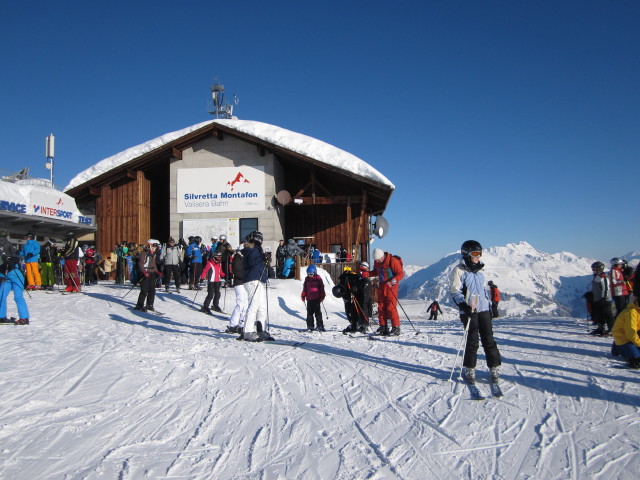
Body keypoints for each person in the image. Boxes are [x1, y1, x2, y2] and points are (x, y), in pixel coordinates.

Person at [449, 240, 502, 385]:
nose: (478, 257)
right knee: (472, 340)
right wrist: (464, 306)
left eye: (480, 253)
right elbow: (455, 290)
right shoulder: (459, 270)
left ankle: (494, 367)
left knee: (489, 339)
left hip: (484, 310)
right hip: (469, 311)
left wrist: (491, 306)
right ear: (466, 254)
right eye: (475, 254)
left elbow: (484, 291)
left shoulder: (480, 271)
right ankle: (470, 368)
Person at [240, 231, 272, 341]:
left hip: (259, 279)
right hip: (252, 279)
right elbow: (252, 261)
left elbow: (258, 263)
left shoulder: (256, 249)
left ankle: (261, 329)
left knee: (262, 306)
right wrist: (263, 257)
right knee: (254, 305)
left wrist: (266, 260)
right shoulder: (252, 248)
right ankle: (247, 331)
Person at [371, 248, 404, 335]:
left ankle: (396, 327)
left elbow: (400, 273)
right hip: (382, 285)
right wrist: (367, 273)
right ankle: (383, 326)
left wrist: (394, 280)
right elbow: (376, 271)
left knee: (391, 306)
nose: (377, 261)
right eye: (375, 260)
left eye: (378, 259)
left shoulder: (392, 261)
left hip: (391, 286)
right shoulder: (377, 261)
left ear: (382, 256)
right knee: (381, 307)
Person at [0, 229, 29, 324]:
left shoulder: (5, 246)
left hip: (11, 274)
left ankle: (2, 316)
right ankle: (23, 318)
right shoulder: (10, 245)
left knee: (3, 296)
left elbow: (5, 262)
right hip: (12, 274)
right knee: (15, 296)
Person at [611, 297, 640, 369]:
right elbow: (630, 332)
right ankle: (617, 347)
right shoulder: (631, 312)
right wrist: (639, 344)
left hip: (633, 337)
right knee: (637, 360)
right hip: (623, 338)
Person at [135, 240, 160, 312]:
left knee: (152, 290)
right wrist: (144, 272)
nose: (154, 249)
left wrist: (157, 271)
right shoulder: (144, 253)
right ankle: (139, 305)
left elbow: (153, 264)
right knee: (144, 290)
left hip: (152, 273)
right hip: (145, 273)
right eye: (153, 247)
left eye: (155, 248)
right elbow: (140, 264)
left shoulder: (153, 254)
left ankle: (150, 304)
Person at [227, 245, 247, 334]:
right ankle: (232, 325)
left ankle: (241, 324)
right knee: (240, 304)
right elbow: (237, 272)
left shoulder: (244, 258)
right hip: (239, 283)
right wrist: (247, 276)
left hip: (245, 283)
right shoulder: (237, 258)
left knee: (245, 304)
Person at [590, 261, 614, 336]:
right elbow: (595, 287)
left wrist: (604, 297)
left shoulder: (603, 277)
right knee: (599, 313)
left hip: (604, 299)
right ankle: (600, 328)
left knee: (607, 314)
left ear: (599, 268)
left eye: (594, 268)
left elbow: (605, 287)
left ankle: (611, 329)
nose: (593, 270)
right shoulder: (596, 276)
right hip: (597, 299)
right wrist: (591, 294)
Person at [301, 264, 326, 331]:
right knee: (309, 313)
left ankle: (320, 326)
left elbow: (322, 287)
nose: (310, 275)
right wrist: (303, 294)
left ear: (314, 272)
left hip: (316, 299)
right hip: (309, 299)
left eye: (311, 274)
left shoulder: (318, 279)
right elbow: (305, 287)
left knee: (317, 313)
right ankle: (310, 326)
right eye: (308, 274)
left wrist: (322, 294)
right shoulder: (307, 279)